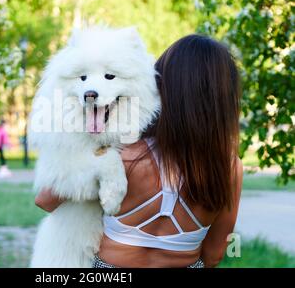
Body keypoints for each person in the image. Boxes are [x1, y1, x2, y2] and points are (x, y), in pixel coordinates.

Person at [34, 34, 243, 268]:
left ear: (163, 86)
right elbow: (215, 253)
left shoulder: (124, 154)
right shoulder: (230, 166)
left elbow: (45, 200)